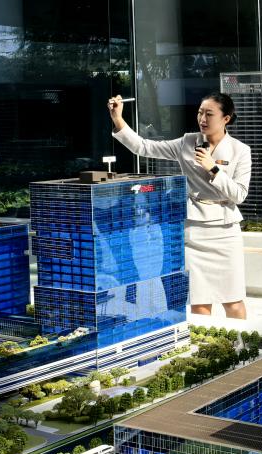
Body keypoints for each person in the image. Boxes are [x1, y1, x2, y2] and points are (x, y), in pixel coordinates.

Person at [108, 93, 252, 319]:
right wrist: (118, 119)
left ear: (226, 118)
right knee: (199, 301)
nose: (202, 119)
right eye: (200, 113)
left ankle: (241, 340)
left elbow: (239, 195)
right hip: (193, 230)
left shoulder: (240, 150)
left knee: (232, 300)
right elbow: (144, 147)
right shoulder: (187, 142)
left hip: (225, 231)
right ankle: (204, 341)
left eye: (209, 114)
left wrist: (213, 168)